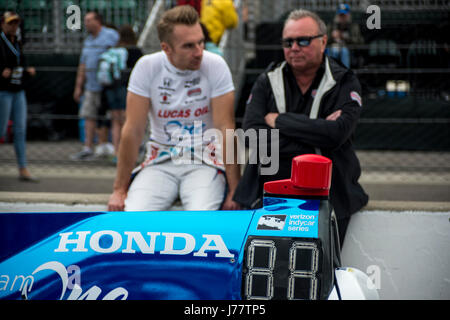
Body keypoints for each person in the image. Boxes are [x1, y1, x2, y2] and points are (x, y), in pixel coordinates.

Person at [233, 9, 368, 245]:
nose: (294, 47)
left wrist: (279, 121)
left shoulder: (344, 81)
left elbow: (336, 134)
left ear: (323, 41)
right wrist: (316, 134)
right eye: (288, 41)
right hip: (267, 195)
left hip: (329, 195)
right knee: (268, 271)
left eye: (303, 40)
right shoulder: (267, 79)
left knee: (321, 271)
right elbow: (251, 137)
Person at [107, 5, 241, 212]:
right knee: (134, 217)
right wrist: (119, 189)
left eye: (201, 42)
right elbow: (132, 130)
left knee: (202, 218)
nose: (199, 52)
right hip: (160, 160)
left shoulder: (215, 65)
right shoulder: (147, 67)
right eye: (188, 46)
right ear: (166, 48)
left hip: (205, 161)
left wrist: (234, 190)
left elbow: (226, 129)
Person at [71, 11, 119, 160]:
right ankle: (87, 148)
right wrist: (78, 86)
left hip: (109, 86)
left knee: (114, 117)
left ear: (98, 21)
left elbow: (119, 55)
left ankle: (115, 149)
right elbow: (83, 64)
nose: (86, 23)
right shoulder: (88, 41)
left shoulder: (111, 35)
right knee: (88, 116)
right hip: (91, 86)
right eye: (85, 21)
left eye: (88, 20)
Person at [0, 11, 37, 182]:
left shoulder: (18, 41)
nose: (14, 26)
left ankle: (23, 168)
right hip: (4, 91)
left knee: (20, 129)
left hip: (18, 90)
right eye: (10, 23)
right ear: (3, 24)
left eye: (16, 23)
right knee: (1, 130)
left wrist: (27, 69)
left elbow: (21, 61)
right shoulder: (1, 41)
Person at [97, 25, 143, 162]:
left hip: (111, 89)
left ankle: (117, 152)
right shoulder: (135, 51)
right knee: (127, 121)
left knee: (115, 121)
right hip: (126, 89)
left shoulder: (113, 50)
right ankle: (127, 153)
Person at [327, 4, 364, 68]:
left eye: (344, 15)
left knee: (344, 51)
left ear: (348, 15)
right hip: (333, 48)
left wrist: (346, 38)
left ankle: (346, 74)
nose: (342, 17)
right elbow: (324, 41)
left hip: (349, 50)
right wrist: (332, 37)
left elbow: (360, 42)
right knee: (333, 51)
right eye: (340, 15)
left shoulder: (353, 26)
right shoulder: (331, 25)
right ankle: (332, 73)